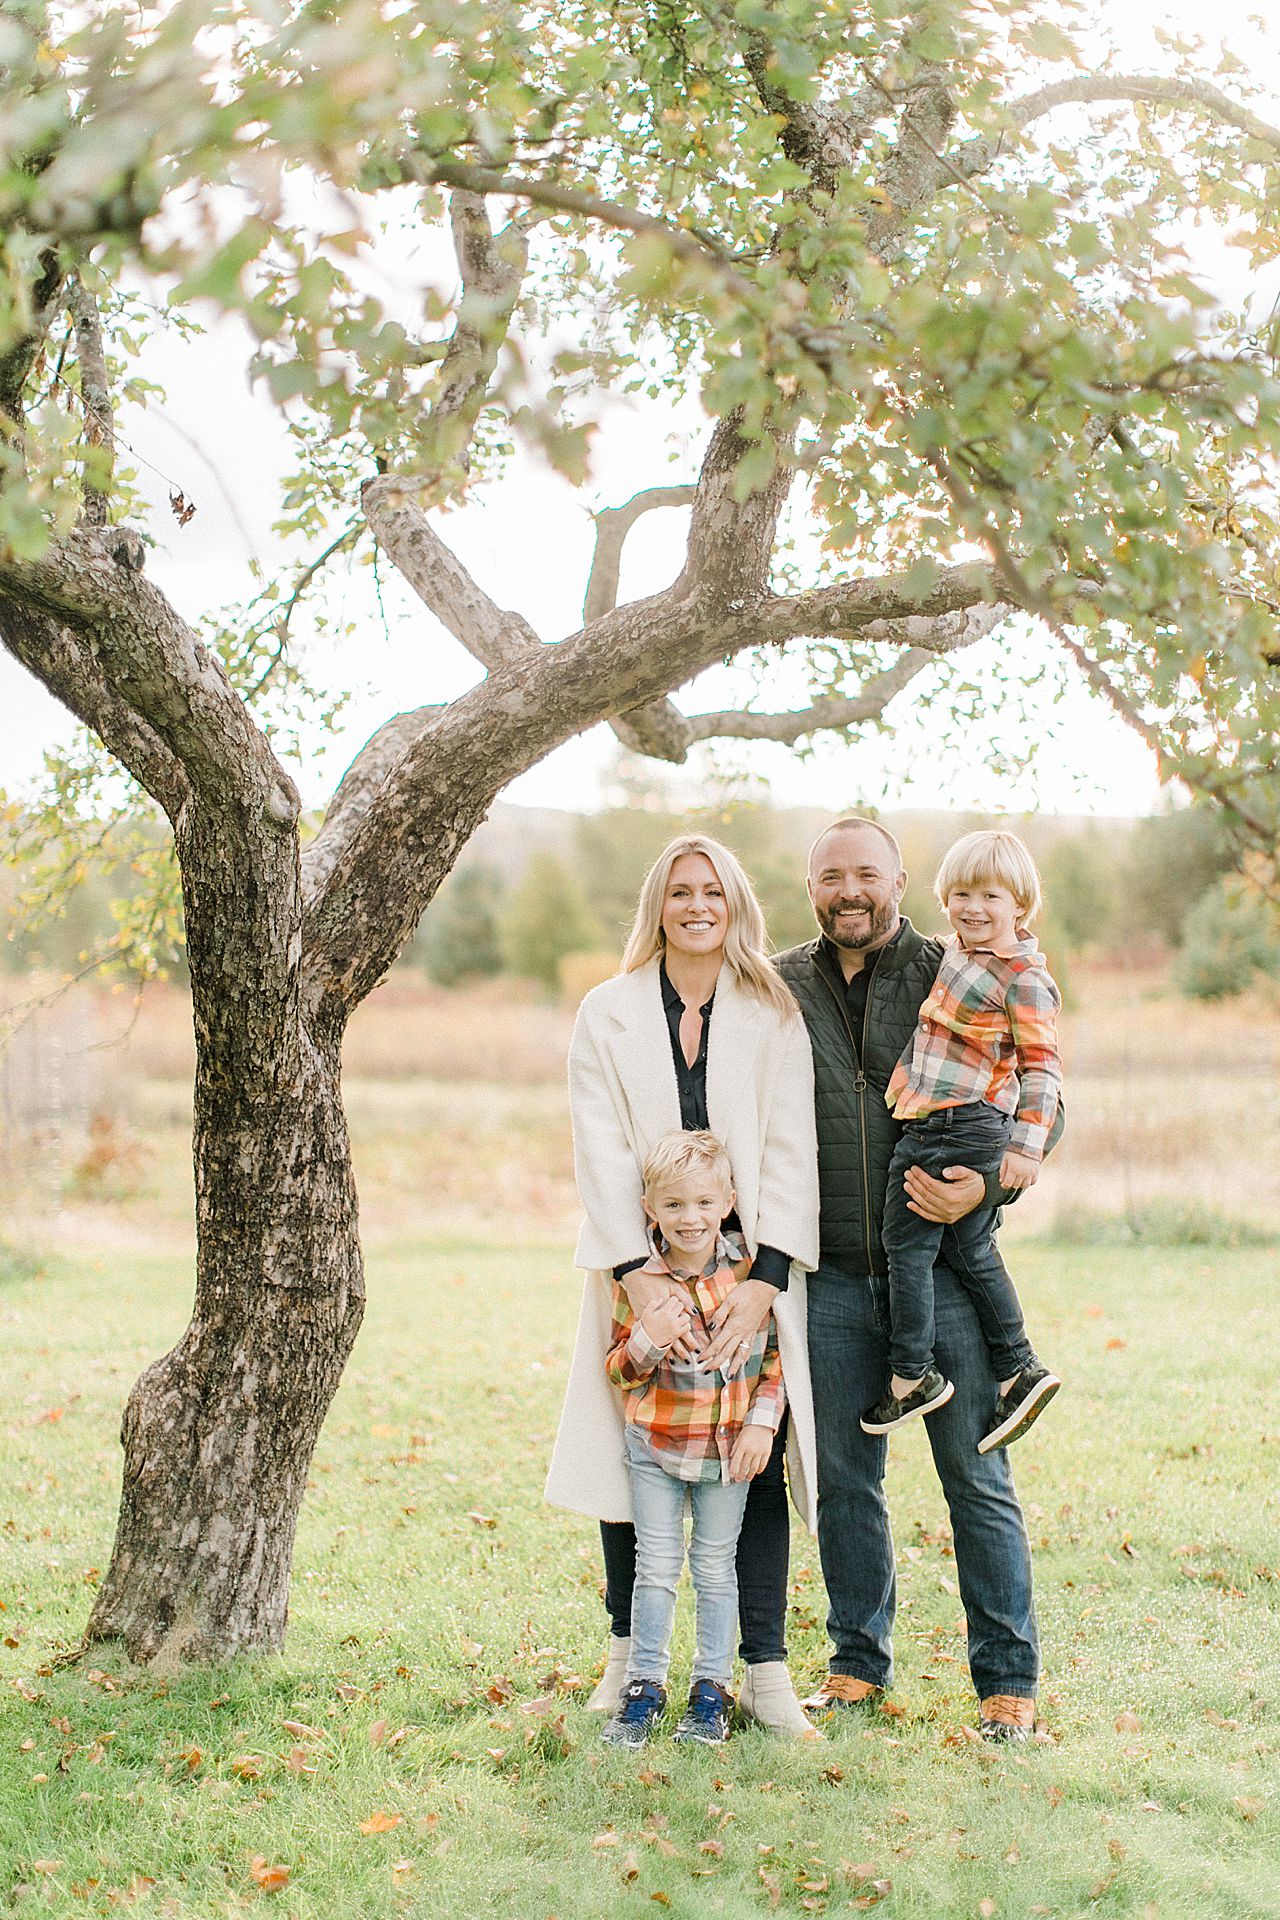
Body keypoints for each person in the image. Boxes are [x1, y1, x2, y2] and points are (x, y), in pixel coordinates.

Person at [774, 817, 1063, 1743]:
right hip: (826, 1276)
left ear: (901, 881)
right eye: (831, 876)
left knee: (974, 1473)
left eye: (867, 874)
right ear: (810, 885)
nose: (849, 890)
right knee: (845, 1483)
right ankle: (858, 1669)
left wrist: (989, 1182)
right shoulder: (777, 986)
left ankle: (1007, 1687)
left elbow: (1042, 1082)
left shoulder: (957, 964)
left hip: (932, 1270)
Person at [545, 834, 820, 1740]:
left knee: (752, 1452)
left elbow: (787, 1147)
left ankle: (765, 1672)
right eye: (680, 892)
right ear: (657, 906)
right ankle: (628, 1656)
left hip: (745, 1267)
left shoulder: (772, 1010)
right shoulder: (608, 1009)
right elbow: (599, 1144)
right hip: (640, 1262)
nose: (697, 906)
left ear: (735, 903)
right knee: (638, 1450)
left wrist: (766, 1280)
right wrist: (639, 1275)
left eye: (713, 891)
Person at [861, 829, 1063, 1453]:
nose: (973, 907)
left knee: (905, 1244)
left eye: (990, 896)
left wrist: (1023, 1152)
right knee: (973, 1252)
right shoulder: (958, 951)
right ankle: (1018, 1368)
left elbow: (1043, 1069)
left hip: (957, 1127)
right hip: (942, 1119)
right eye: (960, 894)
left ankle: (910, 1376)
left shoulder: (1022, 978)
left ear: (1020, 905)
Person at [600, 1131, 786, 1748]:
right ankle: (643, 1686)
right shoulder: (641, 1282)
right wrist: (650, 1337)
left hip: (730, 1451)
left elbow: (772, 1362)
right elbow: (620, 1371)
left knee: (714, 1567)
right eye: (674, 1205)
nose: (691, 1218)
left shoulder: (746, 1274)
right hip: (655, 1445)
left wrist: (762, 1424)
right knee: (654, 1567)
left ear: (728, 1201)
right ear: (650, 1208)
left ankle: (711, 1689)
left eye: (704, 1203)